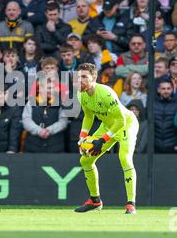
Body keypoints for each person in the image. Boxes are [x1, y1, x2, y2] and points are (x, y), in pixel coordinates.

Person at [75, 62, 139, 214]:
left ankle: (131, 204)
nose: (80, 80)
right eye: (78, 77)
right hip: (108, 124)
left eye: (84, 77)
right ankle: (95, 201)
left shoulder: (106, 93)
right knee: (85, 160)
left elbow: (121, 120)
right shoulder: (81, 94)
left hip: (126, 124)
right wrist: (82, 137)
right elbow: (89, 116)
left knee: (125, 159)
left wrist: (102, 140)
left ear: (94, 78)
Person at [22, 77, 68, 152]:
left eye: (53, 88)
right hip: (33, 148)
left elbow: (63, 122)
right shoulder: (31, 103)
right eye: (49, 88)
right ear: (40, 89)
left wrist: (48, 130)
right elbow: (26, 120)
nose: (52, 91)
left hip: (55, 148)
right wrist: (39, 131)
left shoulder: (60, 104)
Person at [154, 79, 177, 153]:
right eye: (163, 89)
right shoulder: (152, 103)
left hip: (173, 146)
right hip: (154, 146)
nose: (166, 91)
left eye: (168, 88)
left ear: (172, 90)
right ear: (158, 90)